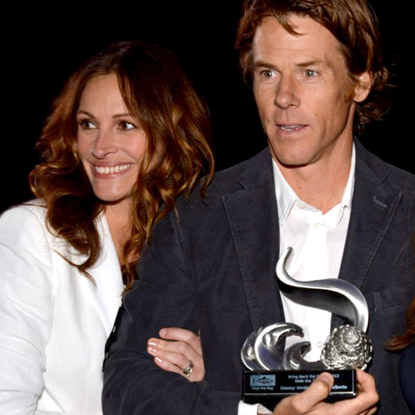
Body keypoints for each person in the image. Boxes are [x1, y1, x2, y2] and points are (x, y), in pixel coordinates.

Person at [102, 1, 415, 414]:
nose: (284, 97)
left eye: (309, 72)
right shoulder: (195, 217)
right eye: (268, 73)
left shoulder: (408, 209)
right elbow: (126, 383)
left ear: (360, 81)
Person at [0, 41, 213, 415]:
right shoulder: (32, 234)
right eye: (88, 125)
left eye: (125, 125)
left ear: (169, 133)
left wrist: (206, 377)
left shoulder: (202, 248)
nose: (100, 147)